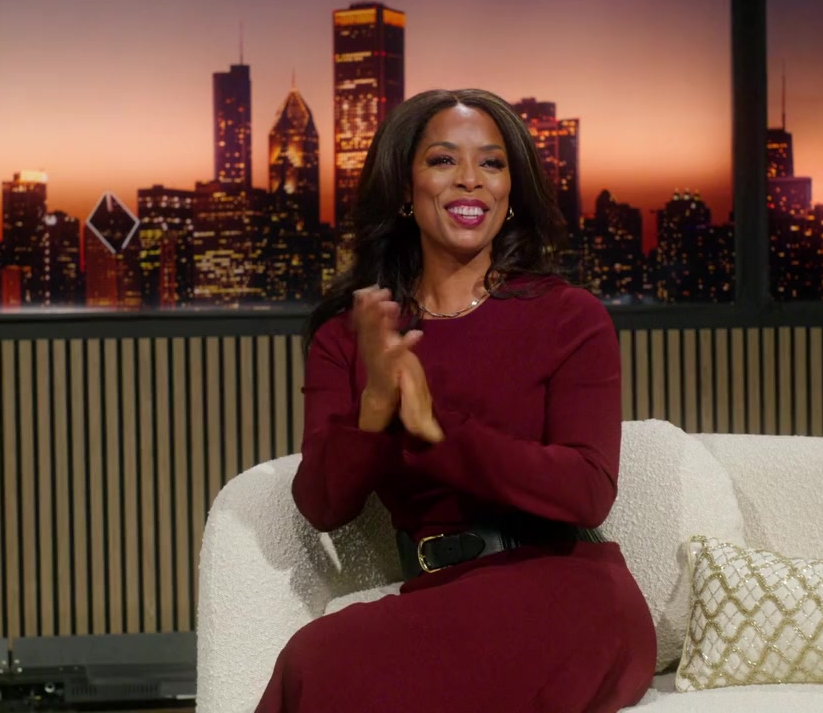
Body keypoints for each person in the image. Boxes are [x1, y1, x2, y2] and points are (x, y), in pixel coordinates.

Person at [254, 88, 657, 712]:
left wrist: (436, 430)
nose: (470, 179)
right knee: (314, 660)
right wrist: (375, 406)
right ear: (404, 189)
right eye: (443, 160)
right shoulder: (351, 334)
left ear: (511, 192)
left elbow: (587, 490)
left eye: (491, 163)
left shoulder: (569, 317)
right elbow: (323, 505)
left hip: (566, 590)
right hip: (441, 595)